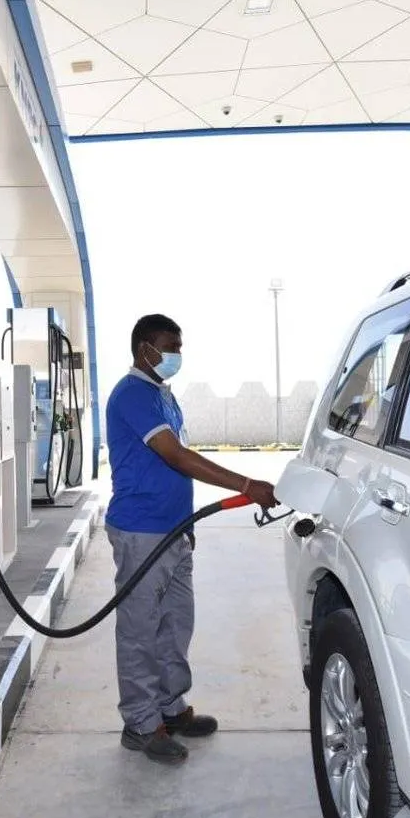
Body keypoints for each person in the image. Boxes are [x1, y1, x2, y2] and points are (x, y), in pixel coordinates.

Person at [103, 313, 279, 765]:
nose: (177, 355)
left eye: (179, 347)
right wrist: (246, 485)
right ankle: (141, 725)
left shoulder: (164, 395)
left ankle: (171, 708)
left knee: (175, 624)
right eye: (170, 347)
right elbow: (176, 457)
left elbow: (175, 463)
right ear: (145, 348)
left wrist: (188, 526)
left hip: (175, 531)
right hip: (141, 532)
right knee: (141, 630)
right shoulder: (131, 395)